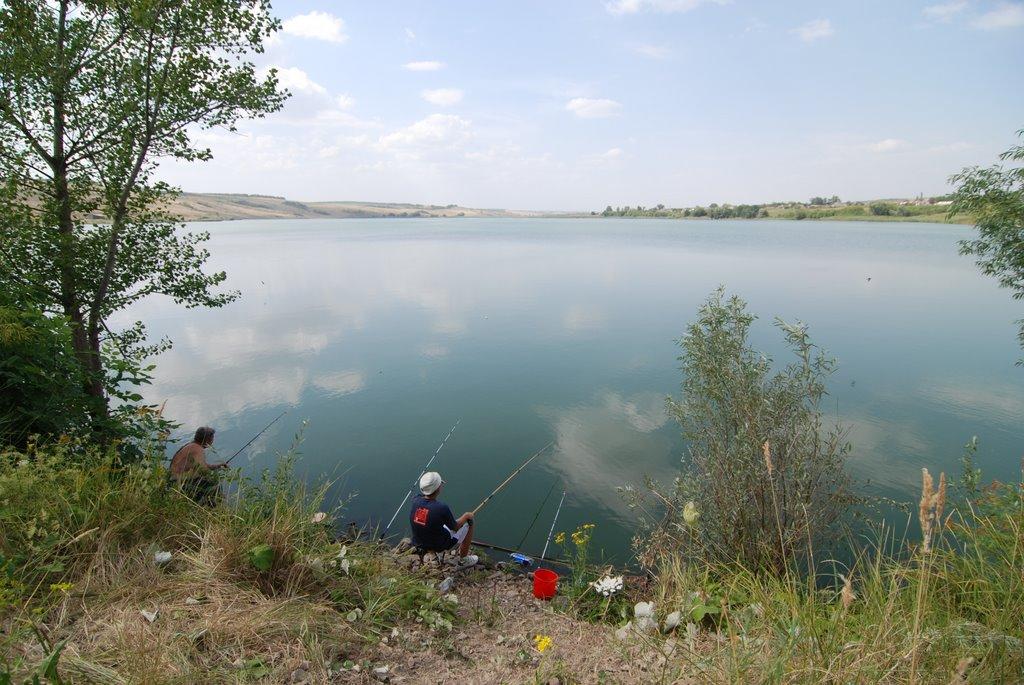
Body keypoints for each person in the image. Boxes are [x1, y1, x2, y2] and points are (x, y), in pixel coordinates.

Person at [408, 471, 479, 567]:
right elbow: (455, 527)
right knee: (468, 523)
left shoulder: (415, 500)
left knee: (436, 523)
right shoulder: (441, 508)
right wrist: (466, 516)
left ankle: (427, 553)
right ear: (438, 488)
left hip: (418, 542)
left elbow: (423, 499)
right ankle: (463, 560)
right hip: (439, 545)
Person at [169, 426, 226, 505]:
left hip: (174, 480)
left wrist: (218, 466)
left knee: (204, 482)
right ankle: (214, 509)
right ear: (207, 439)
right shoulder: (198, 449)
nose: (213, 440)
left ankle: (203, 505)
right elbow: (203, 470)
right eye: (212, 438)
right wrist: (215, 475)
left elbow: (203, 465)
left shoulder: (192, 445)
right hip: (178, 482)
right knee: (214, 485)